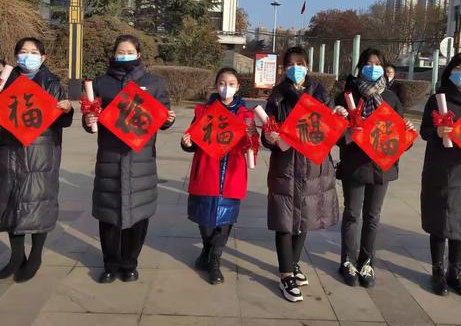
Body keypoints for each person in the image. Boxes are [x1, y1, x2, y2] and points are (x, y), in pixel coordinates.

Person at [83, 34, 175, 284]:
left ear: (139, 54)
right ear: (113, 54)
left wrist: (169, 119)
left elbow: (164, 115)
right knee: (108, 215)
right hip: (110, 157)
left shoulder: (153, 83)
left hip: (141, 159)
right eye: (119, 52)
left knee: (139, 215)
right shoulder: (101, 83)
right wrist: (88, 119)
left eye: (129, 51)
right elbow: (90, 116)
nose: (124, 55)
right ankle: (110, 264)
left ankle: (130, 262)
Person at [262, 46, 347, 302]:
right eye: (290, 65)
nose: (295, 68)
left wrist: (340, 117)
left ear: (307, 66)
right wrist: (269, 138)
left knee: (305, 217)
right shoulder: (277, 97)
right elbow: (267, 132)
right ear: (285, 69)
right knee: (285, 220)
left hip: (313, 167)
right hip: (286, 166)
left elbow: (335, 132)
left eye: (300, 64)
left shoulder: (322, 94)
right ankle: (286, 274)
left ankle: (294, 263)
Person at [335, 48, 415, 288]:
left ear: (383, 68)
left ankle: (366, 261)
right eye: (368, 63)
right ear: (360, 66)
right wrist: (348, 133)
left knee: (372, 217)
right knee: (352, 214)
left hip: (382, 167)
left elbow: (399, 139)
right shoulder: (346, 97)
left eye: (377, 63)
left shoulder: (391, 99)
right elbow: (336, 136)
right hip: (354, 165)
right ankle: (347, 261)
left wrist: (407, 133)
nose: (373, 67)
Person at [0, 37, 73, 282]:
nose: (27, 55)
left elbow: (60, 121)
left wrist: (67, 110)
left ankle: (36, 255)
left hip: (40, 153)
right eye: (22, 51)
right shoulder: (6, 81)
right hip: (10, 152)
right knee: (13, 203)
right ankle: (16, 256)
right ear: (16, 56)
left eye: (33, 52)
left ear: (43, 58)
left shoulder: (50, 82)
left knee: (38, 202)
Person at [181, 68, 258, 285]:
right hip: (206, 171)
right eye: (222, 83)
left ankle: (214, 261)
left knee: (225, 220)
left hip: (232, 173)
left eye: (231, 83)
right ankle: (206, 251)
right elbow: (192, 138)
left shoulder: (246, 115)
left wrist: (251, 142)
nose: (226, 87)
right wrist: (186, 143)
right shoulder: (204, 111)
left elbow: (253, 143)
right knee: (204, 219)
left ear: (237, 86)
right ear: (216, 85)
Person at [420, 53, 461, 297]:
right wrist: (437, 130)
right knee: (440, 221)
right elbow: (424, 131)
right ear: (450, 70)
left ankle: (455, 272)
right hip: (443, 169)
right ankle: (437, 271)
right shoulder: (438, 99)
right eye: (458, 67)